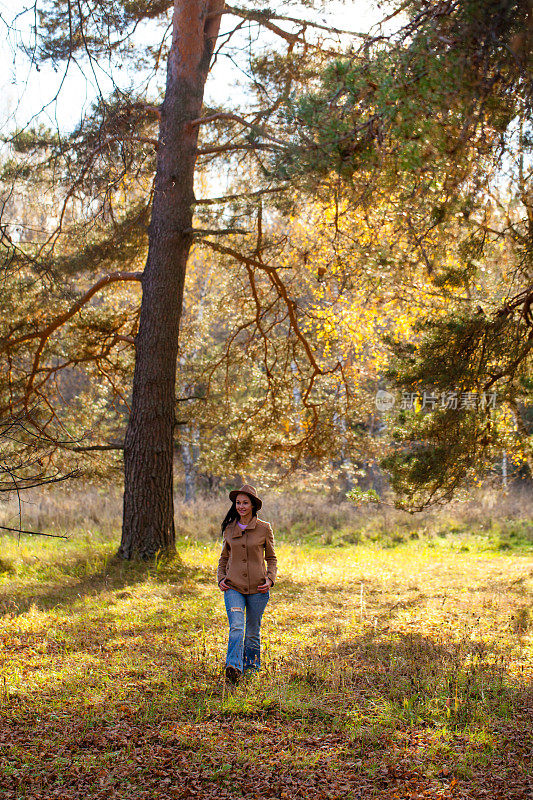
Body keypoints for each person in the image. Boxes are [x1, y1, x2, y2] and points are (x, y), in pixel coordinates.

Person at [217, 484, 277, 685]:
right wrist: (220, 578)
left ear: (253, 505)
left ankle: (251, 669)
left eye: (245, 503)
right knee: (236, 626)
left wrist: (270, 579)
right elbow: (224, 558)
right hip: (233, 587)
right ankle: (233, 667)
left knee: (252, 632)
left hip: (258, 590)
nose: (241, 506)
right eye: (238, 503)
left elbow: (272, 558)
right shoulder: (229, 528)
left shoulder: (263, 528)